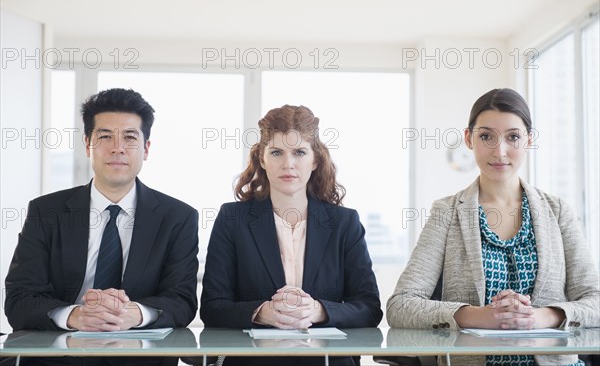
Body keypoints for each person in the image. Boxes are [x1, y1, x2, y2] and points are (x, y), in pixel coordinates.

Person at [386, 88, 600, 366]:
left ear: (529, 140)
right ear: (468, 138)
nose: (499, 151)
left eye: (513, 137)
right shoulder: (447, 213)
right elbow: (400, 306)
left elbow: (595, 301)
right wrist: (476, 315)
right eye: (486, 136)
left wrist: (542, 316)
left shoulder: (557, 212)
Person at [4, 88, 199, 366]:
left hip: (139, 359)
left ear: (146, 148)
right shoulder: (46, 212)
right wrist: (75, 315)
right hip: (58, 357)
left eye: (130, 137)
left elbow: (182, 301)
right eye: (105, 136)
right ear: (87, 144)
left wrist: (133, 313)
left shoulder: (178, 217)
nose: (117, 147)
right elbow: (20, 299)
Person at [200, 105, 382, 366]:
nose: (288, 164)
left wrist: (318, 311)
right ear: (262, 159)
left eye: (299, 152)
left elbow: (368, 307)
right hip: (254, 361)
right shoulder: (232, 219)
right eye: (276, 152)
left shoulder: (345, 223)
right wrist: (263, 313)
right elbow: (212, 307)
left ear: (315, 159)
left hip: (326, 361)